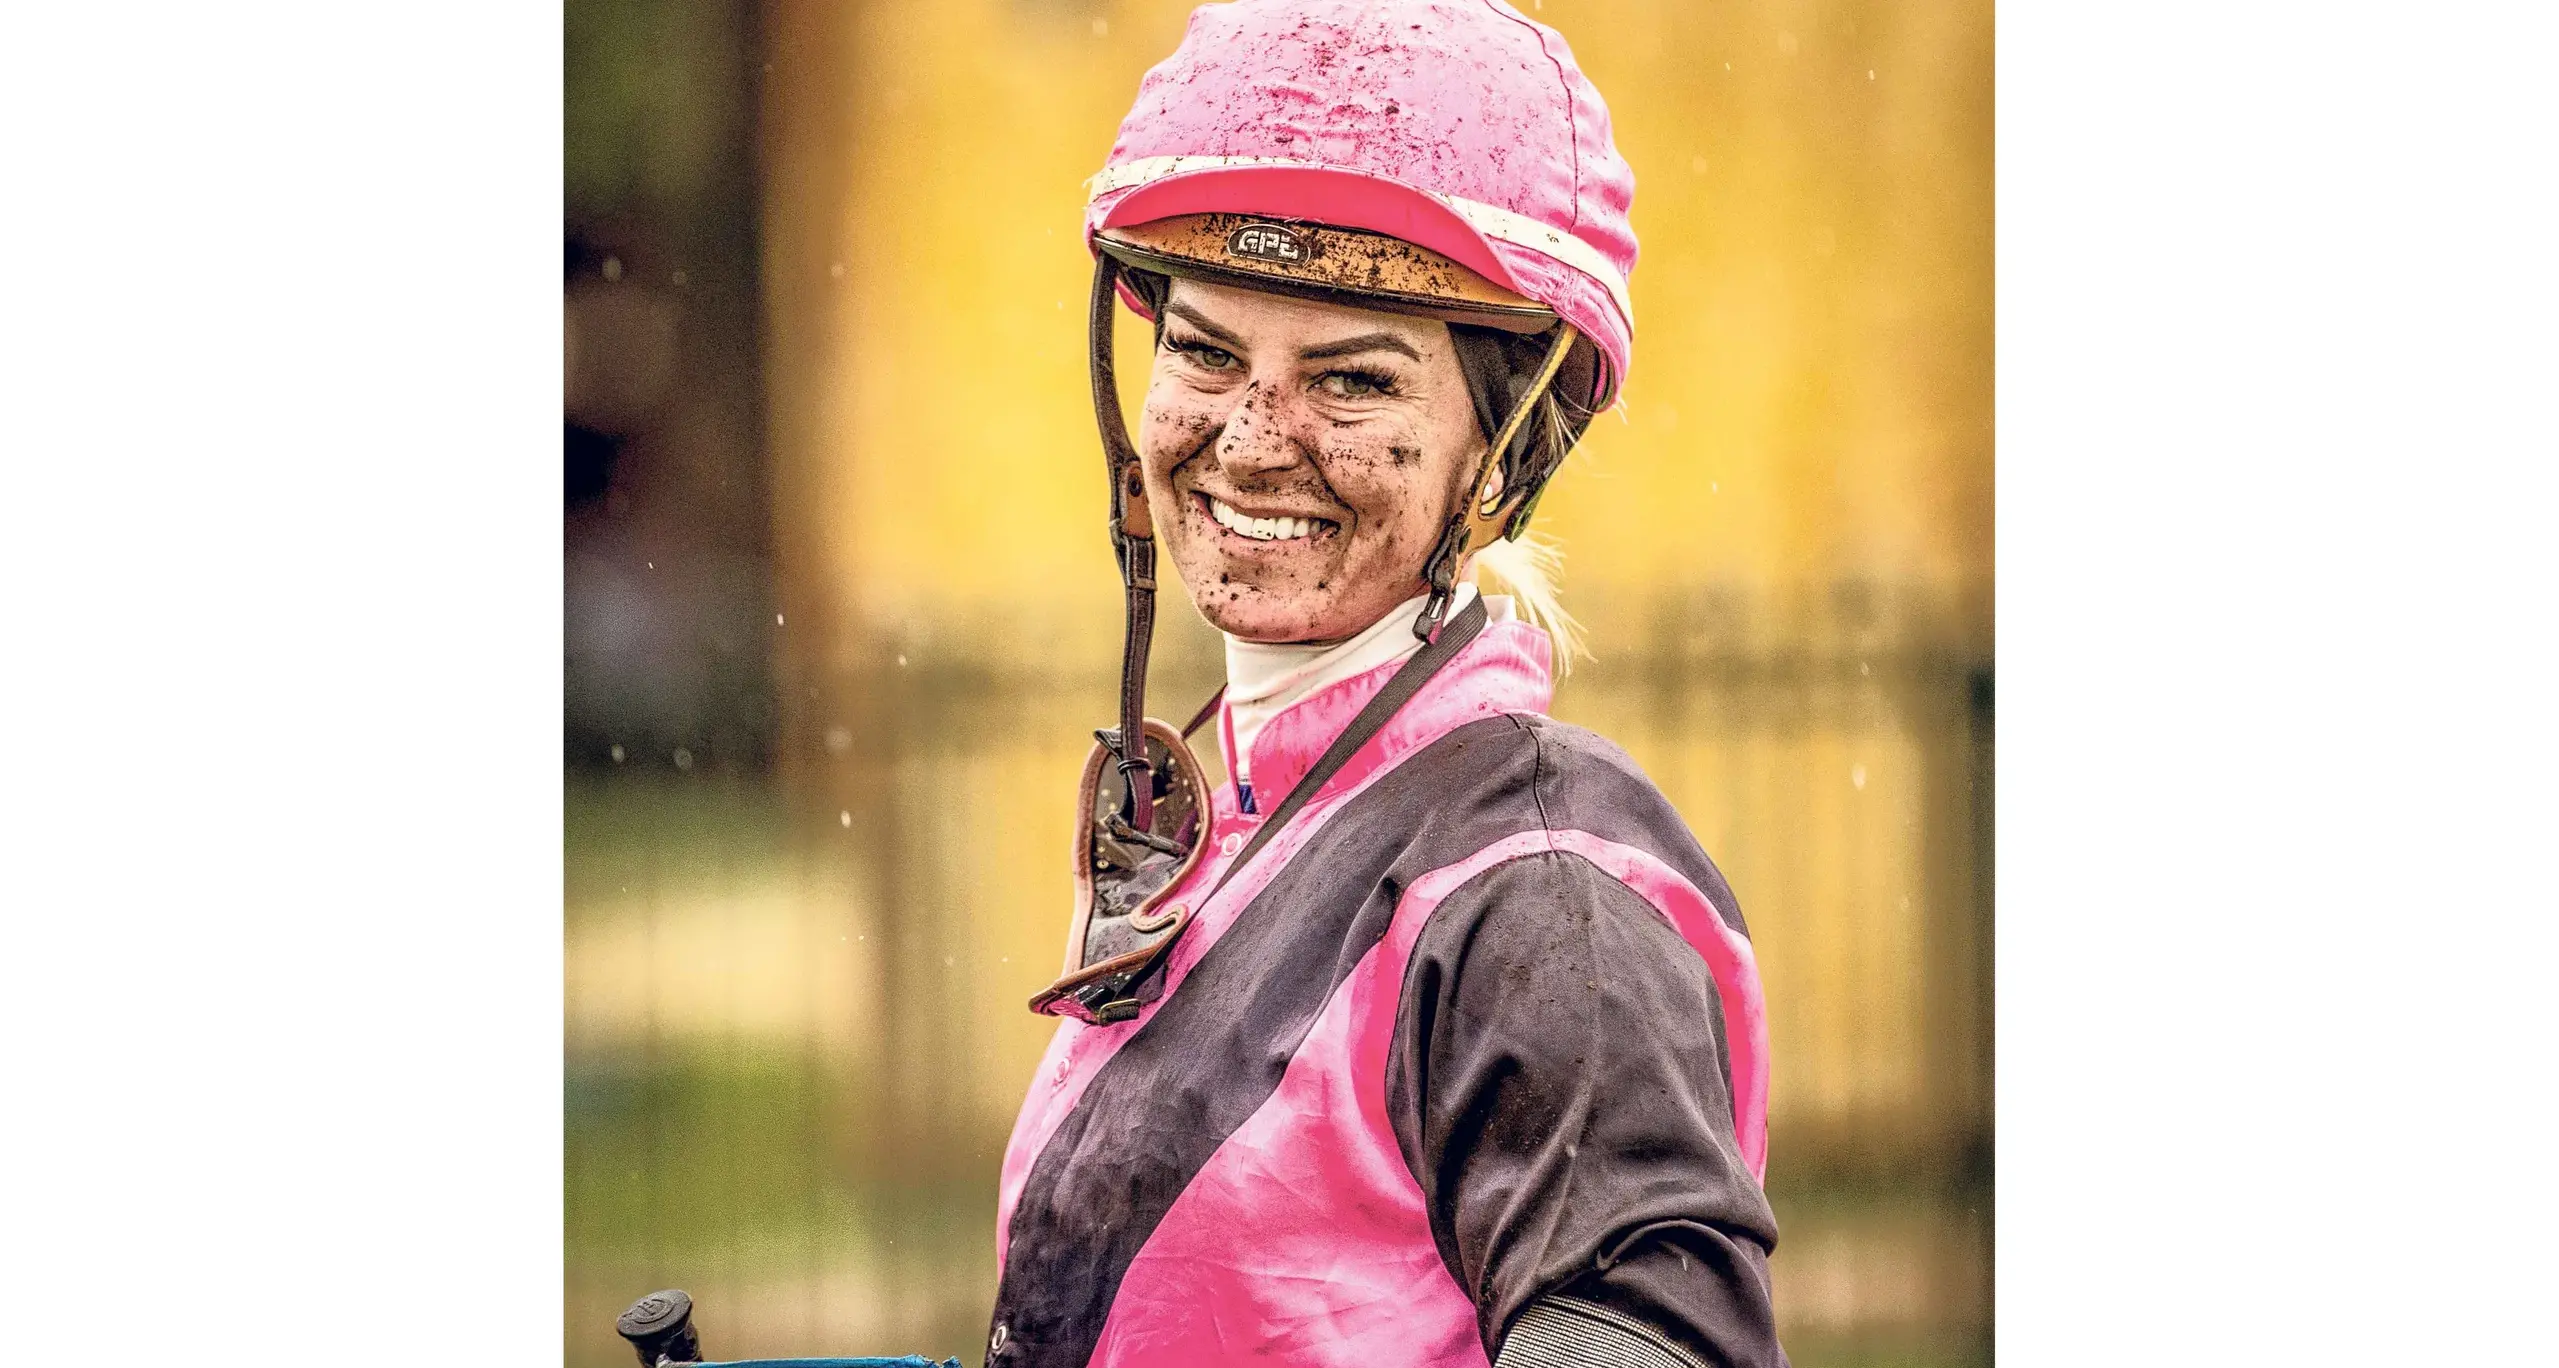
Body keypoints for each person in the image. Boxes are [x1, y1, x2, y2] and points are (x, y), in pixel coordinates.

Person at [991, 3, 1784, 1365]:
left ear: (1504, 445)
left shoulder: (1538, 892)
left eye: (1350, 381)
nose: (1251, 440)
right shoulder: (1265, 813)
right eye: (1205, 351)